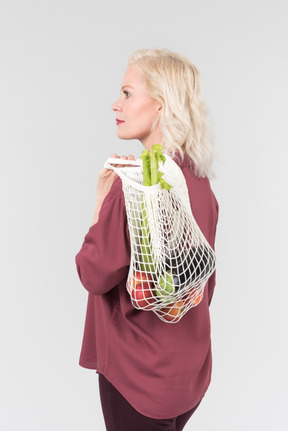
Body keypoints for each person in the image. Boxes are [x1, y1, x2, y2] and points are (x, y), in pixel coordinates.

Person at [75, 49, 219, 431]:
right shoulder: (197, 181)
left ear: (159, 105)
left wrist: (100, 206)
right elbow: (204, 279)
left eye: (126, 93)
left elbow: (94, 274)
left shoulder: (135, 188)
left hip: (136, 375)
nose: (115, 104)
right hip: (186, 374)